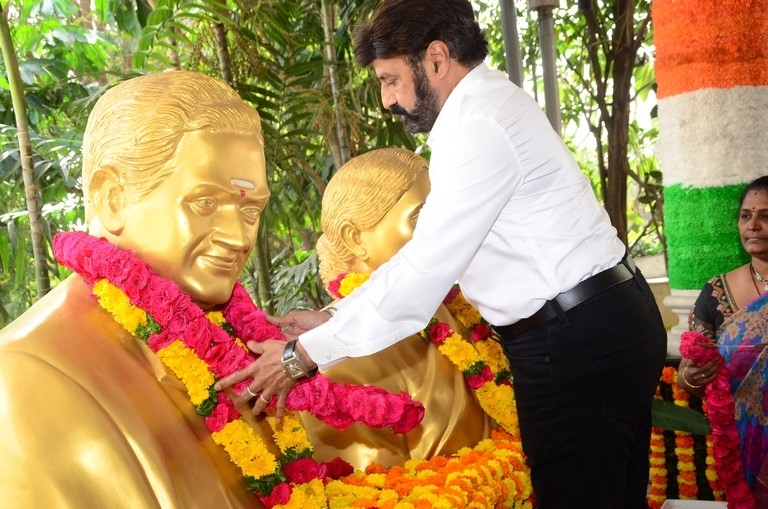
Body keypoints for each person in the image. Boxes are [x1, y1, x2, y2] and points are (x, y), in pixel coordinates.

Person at [215, 1, 668, 508]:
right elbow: (425, 260)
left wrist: (302, 357)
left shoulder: (477, 124)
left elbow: (423, 270)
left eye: (390, 80)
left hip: (576, 342)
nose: (387, 100)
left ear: (435, 58)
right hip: (598, 323)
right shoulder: (486, 108)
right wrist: (328, 317)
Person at [0, 70, 278, 508]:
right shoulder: (28, 375)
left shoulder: (228, 345)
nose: (239, 237)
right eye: (205, 203)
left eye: (250, 209)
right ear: (113, 198)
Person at [303, 147, 492, 469]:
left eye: (440, 214)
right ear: (354, 239)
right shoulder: (336, 359)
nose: (441, 232)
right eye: (420, 217)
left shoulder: (455, 312)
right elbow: (376, 492)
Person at [678, 176, 768, 504]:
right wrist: (691, 375)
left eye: (765, 216)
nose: (753, 225)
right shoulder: (716, 292)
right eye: (746, 216)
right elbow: (688, 372)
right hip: (745, 441)